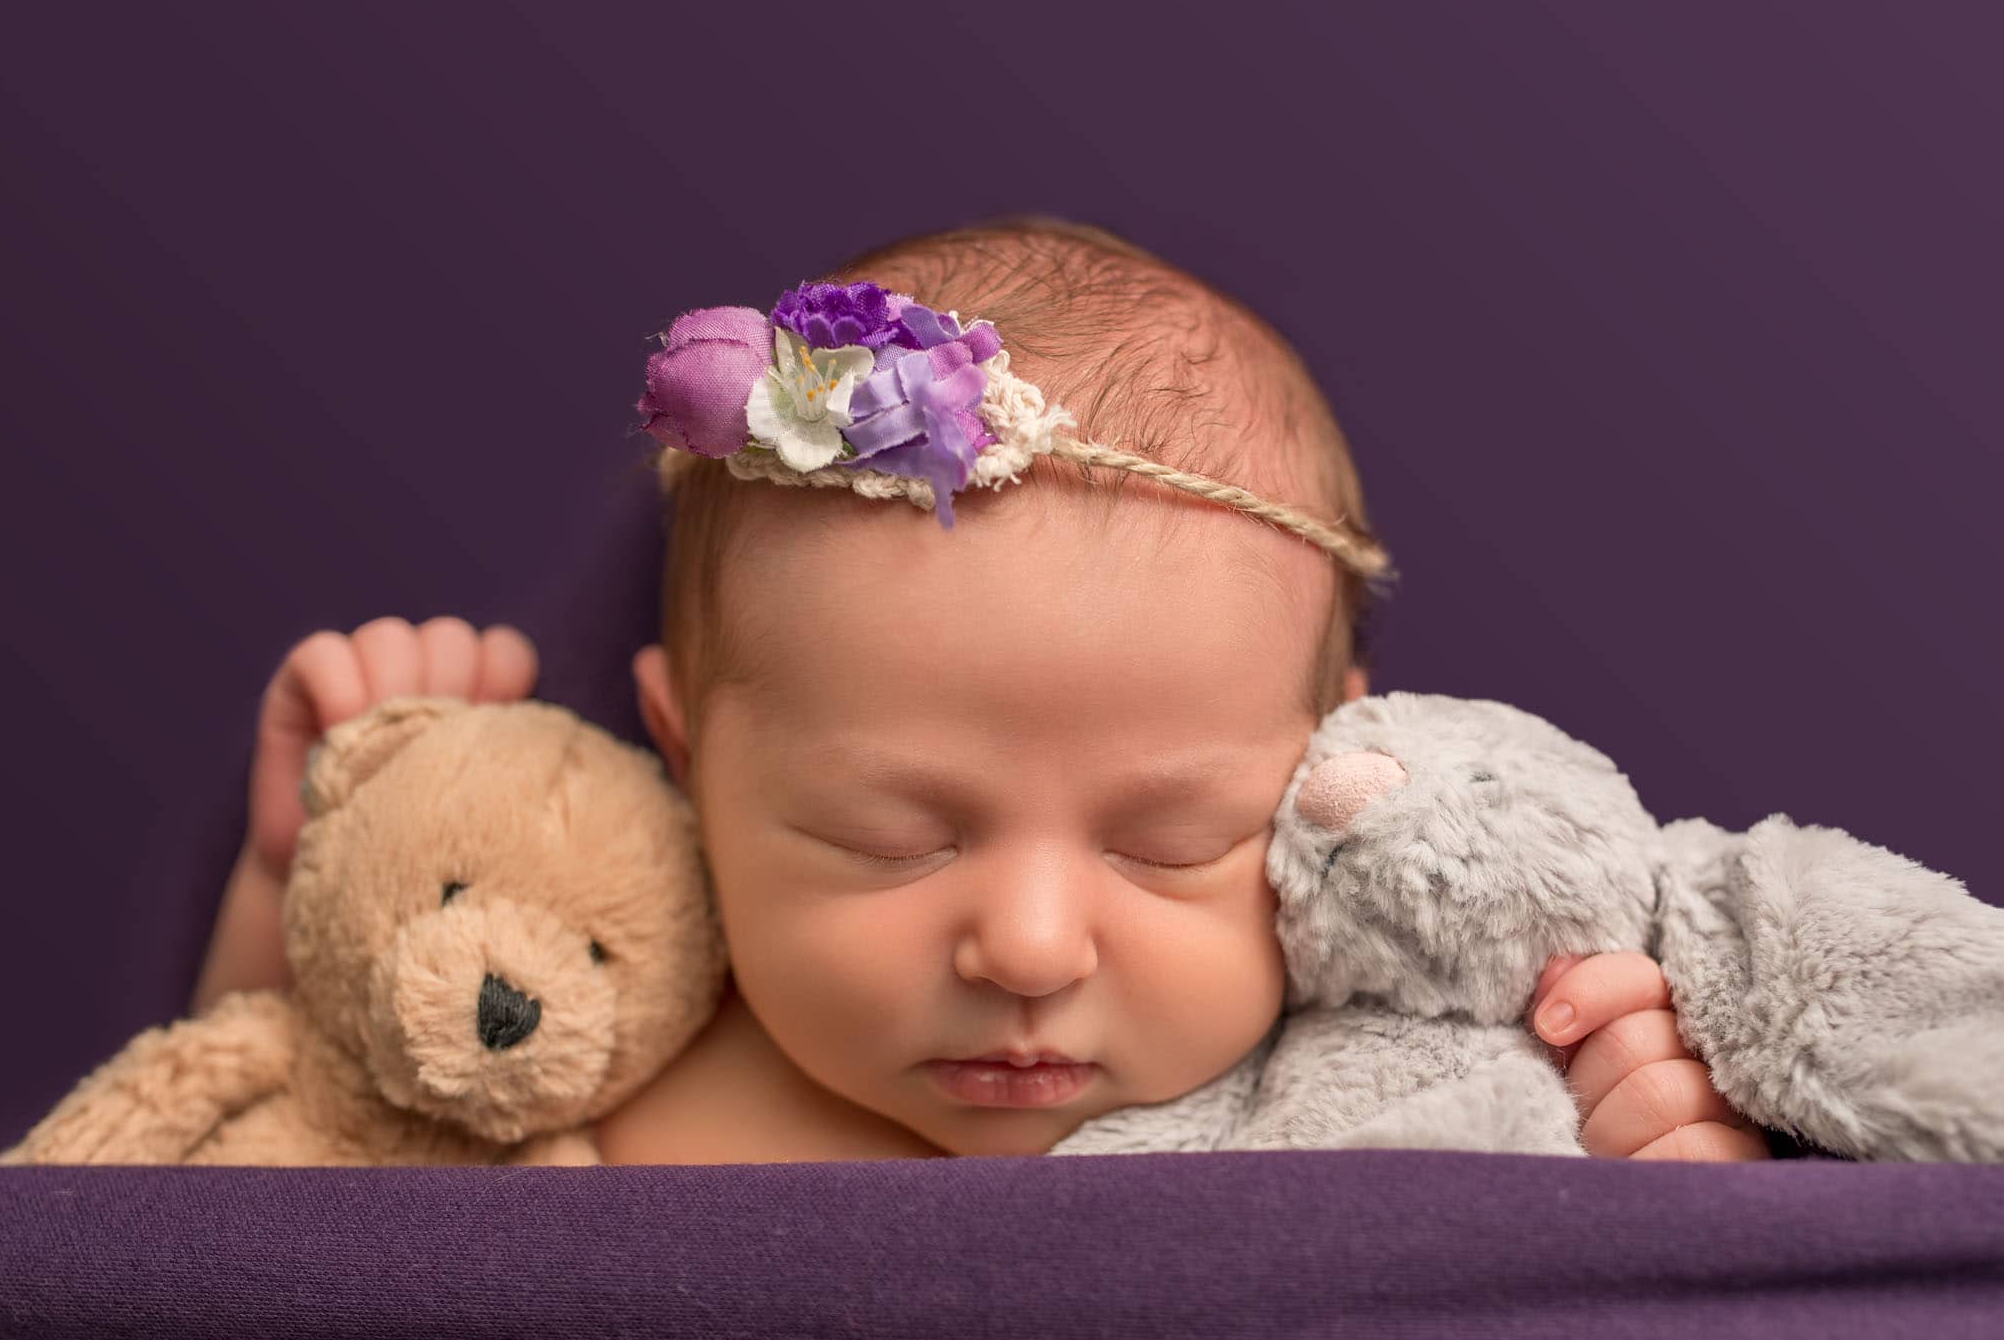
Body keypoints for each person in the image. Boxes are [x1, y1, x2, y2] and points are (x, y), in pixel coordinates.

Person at [192, 214, 1768, 1165]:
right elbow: (271, 1201)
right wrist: (308, 878)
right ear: (689, 757)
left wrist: (1649, 1144)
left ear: (1326, 770)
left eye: (1167, 840)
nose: (1025, 946)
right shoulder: (608, 1065)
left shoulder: (1363, 1096)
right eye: (892, 834)